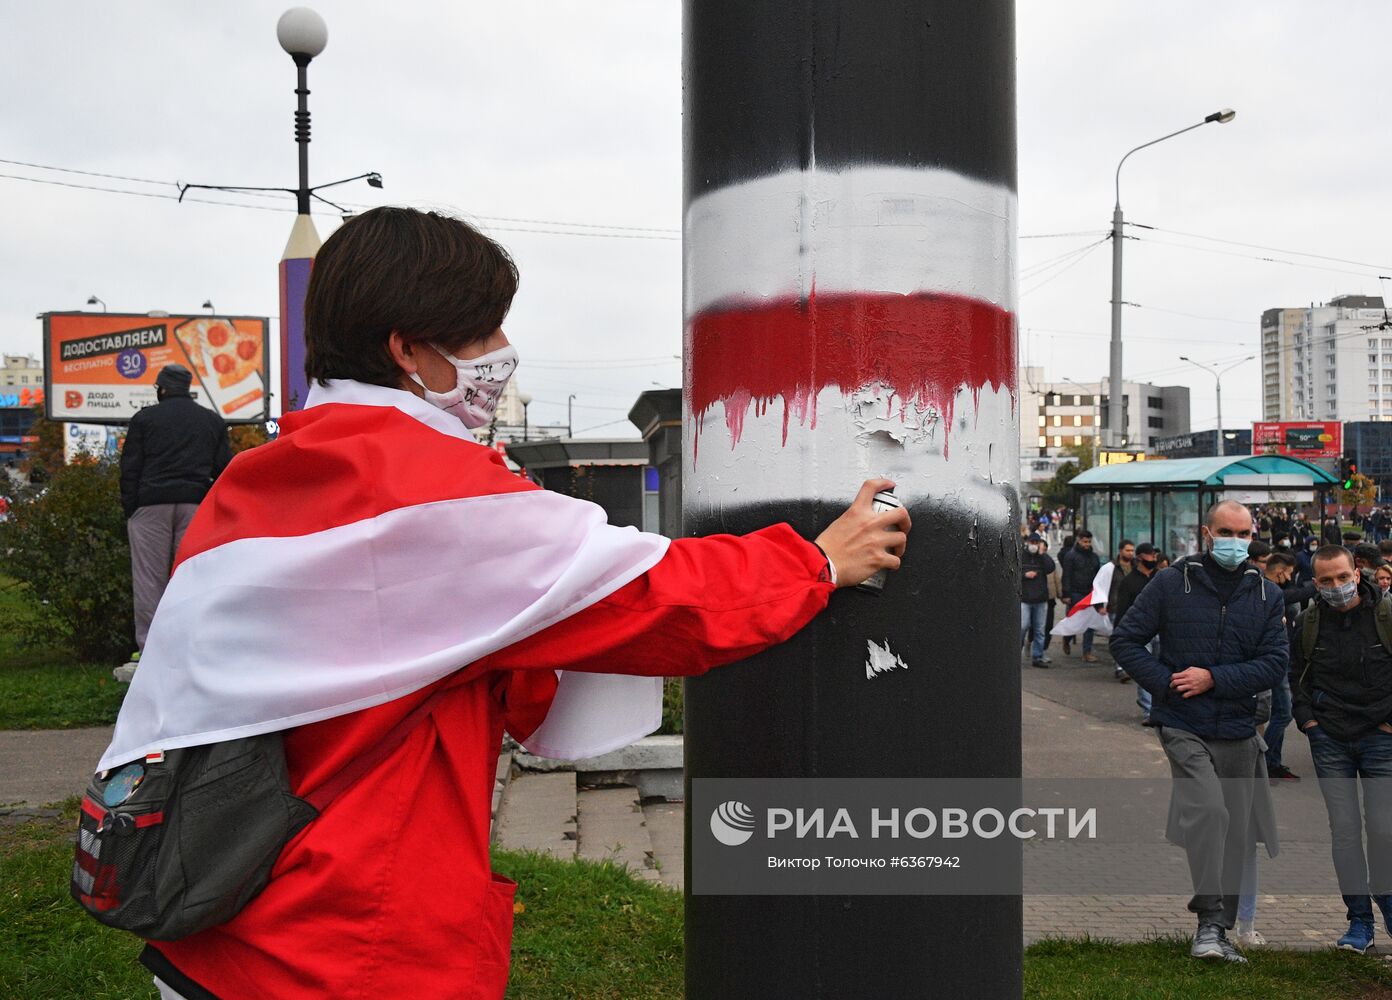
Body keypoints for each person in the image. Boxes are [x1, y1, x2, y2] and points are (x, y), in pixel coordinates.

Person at [106, 207, 913, 1000]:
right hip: (348, 941)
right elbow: (650, 595)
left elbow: (426, 656)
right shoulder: (430, 487)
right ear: (410, 349)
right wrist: (813, 562)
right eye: (484, 333)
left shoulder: (265, 477)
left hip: (219, 921)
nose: (500, 355)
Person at [1110, 499, 1286, 964]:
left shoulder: (1268, 595)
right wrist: (1166, 684)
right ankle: (1209, 916)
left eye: (1244, 534)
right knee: (1210, 812)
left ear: (1253, 536)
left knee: (1233, 832)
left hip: (1238, 727)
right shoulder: (1172, 583)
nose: (1236, 542)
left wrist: (1214, 678)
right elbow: (1125, 640)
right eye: (1226, 532)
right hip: (1184, 722)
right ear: (1207, 534)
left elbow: (1274, 664)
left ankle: (1214, 932)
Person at [1291, 545, 1392, 954]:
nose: (1336, 586)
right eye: (1326, 580)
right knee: (1345, 832)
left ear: (1357, 572)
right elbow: (1295, 676)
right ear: (1316, 582)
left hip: (1380, 737)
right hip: (1329, 737)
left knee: (1384, 828)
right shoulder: (1308, 622)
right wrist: (1309, 723)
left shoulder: (1386, 616)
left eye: (1342, 577)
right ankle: (1359, 922)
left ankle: (1386, 900)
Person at [118, 363, 232, 664]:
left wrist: (132, 507)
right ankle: (192, 647)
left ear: (162, 388)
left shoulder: (144, 419)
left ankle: (151, 652)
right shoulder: (211, 421)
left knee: (149, 580)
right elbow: (224, 470)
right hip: (195, 504)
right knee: (190, 577)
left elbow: (130, 468)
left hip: (151, 505)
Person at [1262, 551, 1305, 785]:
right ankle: (1265, 760)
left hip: (1280, 656)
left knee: (1280, 712)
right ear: (1280, 571)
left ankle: (1272, 763)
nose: (1289, 577)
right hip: (1274, 658)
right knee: (1284, 712)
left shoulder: (1268, 589)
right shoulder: (1270, 591)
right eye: (1288, 573)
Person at [1113, 541, 1159, 709]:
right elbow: (1123, 608)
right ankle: (1148, 709)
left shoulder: (1159, 578)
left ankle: (1155, 705)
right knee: (1145, 670)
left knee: (1160, 670)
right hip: (1142, 632)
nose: (1154, 557)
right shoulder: (1130, 581)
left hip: (1160, 631)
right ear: (1140, 558)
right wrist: (1120, 631)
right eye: (1150, 554)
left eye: (1155, 554)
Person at [1060, 529, 1102, 662]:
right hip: (1075, 592)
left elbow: (1097, 575)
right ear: (1079, 540)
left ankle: (1087, 651)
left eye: (1089, 542)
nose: (1087, 544)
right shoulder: (1071, 556)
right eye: (1085, 541)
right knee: (1073, 620)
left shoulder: (1094, 557)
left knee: (1089, 623)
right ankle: (1067, 638)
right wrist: (1066, 594)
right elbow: (1066, 575)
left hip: (1089, 593)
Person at [1021, 533, 1055, 668]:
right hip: (1025, 598)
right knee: (1023, 626)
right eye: (1032, 542)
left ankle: (1038, 656)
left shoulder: (1042, 558)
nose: (1034, 545)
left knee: (1040, 629)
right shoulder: (1023, 556)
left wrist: (1042, 554)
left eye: (1036, 542)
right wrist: (1024, 575)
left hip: (1040, 599)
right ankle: (1017, 652)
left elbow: (1050, 568)